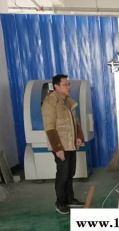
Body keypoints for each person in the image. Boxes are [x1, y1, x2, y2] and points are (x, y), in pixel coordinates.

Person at [41, 74, 85, 214]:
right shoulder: (50, 102)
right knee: (63, 174)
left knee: (70, 172)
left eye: (68, 84)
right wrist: (58, 148)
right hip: (60, 145)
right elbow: (49, 127)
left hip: (70, 143)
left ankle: (70, 199)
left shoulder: (67, 101)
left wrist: (79, 136)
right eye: (65, 84)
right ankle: (60, 202)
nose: (68, 87)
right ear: (56, 86)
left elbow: (75, 122)